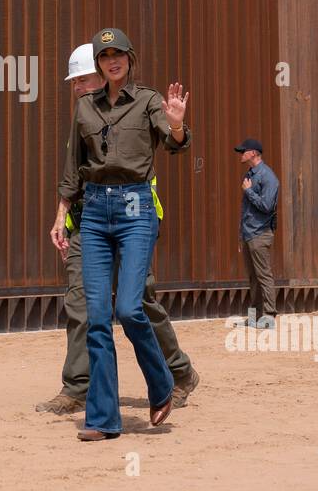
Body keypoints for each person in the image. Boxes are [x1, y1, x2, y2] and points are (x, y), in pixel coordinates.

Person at [37, 43, 199, 415]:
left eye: (83, 79)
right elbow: (72, 171)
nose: (78, 87)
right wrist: (61, 215)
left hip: (131, 219)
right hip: (87, 221)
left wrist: (176, 124)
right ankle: (77, 386)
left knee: (137, 303)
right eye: (74, 82)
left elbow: (175, 142)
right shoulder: (85, 113)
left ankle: (179, 372)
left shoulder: (139, 104)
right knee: (82, 304)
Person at [235, 138, 279, 327]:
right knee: (253, 277)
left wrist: (249, 192)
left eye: (243, 151)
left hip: (260, 234)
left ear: (253, 153)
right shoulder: (250, 174)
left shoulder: (268, 177)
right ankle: (254, 318)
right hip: (249, 234)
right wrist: (241, 236)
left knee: (263, 275)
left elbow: (267, 206)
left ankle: (269, 315)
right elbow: (246, 211)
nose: (241, 154)